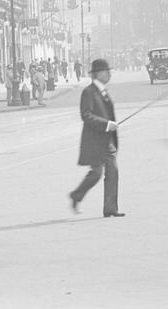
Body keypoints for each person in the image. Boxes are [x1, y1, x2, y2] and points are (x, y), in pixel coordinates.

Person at [68, 59, 123, 217]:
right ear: (98, 74)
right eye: (107, 72)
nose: (109, 74)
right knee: (96, 173)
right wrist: (106, 124)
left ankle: (111, 208)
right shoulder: (89, 92)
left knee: (113, 172)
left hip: (107, 141)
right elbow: (86, 115)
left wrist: (111, 126)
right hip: (94, 141)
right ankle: (76, 195)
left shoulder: (103, 91)